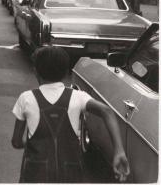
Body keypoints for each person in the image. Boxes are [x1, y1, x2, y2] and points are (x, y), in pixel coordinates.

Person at [11, 46, 130, 183]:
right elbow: (107, 111)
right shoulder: (78, 97)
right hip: (70, 174)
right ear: (65, 72)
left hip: (35, 175)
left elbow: (16, 141)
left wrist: (32, 143)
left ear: (35, 71)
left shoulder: (26, 98)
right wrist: (119, 151)